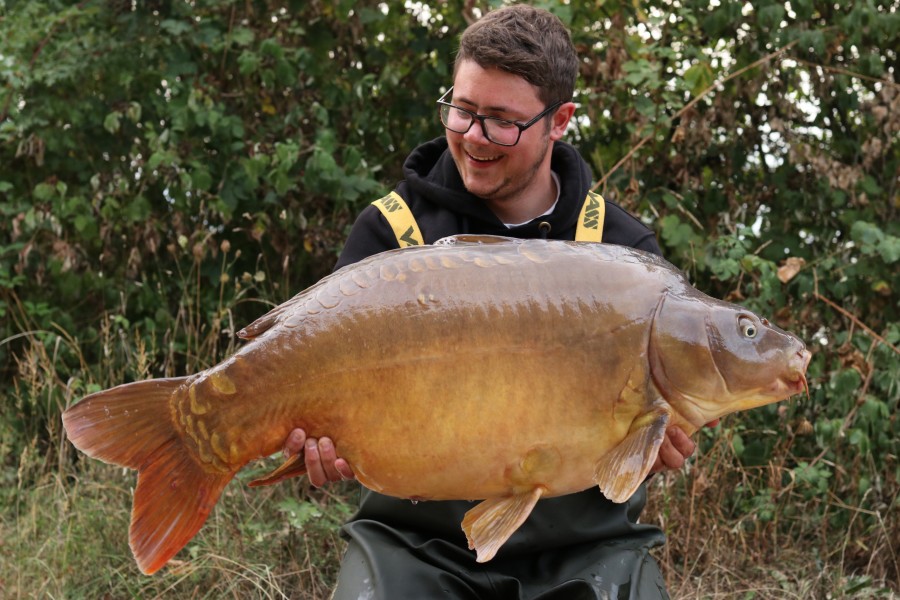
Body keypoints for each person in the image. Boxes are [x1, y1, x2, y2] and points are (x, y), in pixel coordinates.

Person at [282, 5, 711, 598]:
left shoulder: (620, 251)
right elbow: (322, 397)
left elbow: (649, 427)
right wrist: (321, 448)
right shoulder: (393, 231)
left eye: (501, 122)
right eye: (462, 110)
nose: (473, 136)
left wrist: (653, 444)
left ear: (559, 121)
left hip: (585, 545)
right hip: (413, 541)